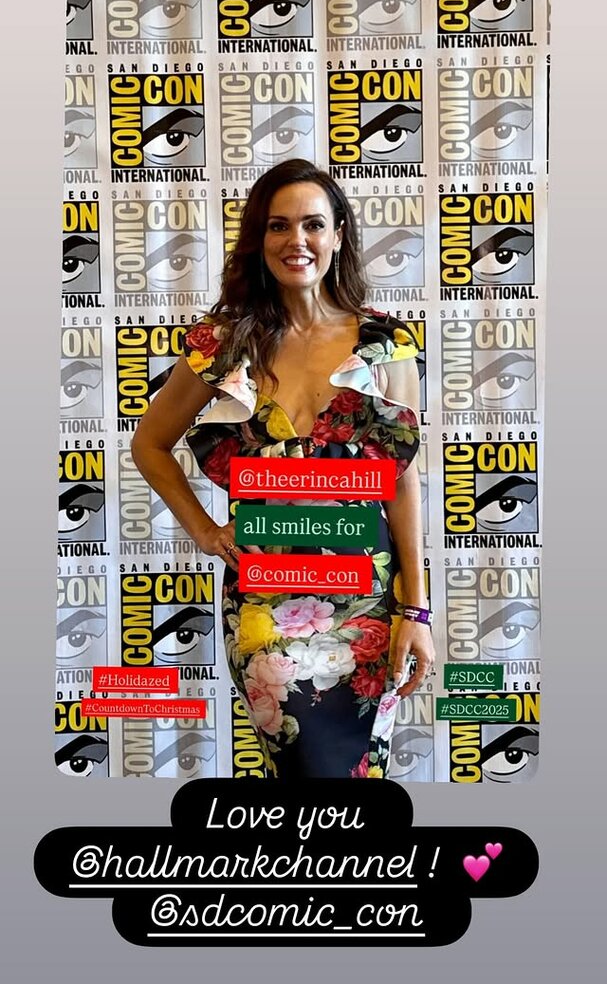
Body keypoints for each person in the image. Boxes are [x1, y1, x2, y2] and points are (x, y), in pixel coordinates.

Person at [131, 158, 435, 779]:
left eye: (313, 224)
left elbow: (402, 481)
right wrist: (204, 531)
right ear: (260, 238)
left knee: (361, 772)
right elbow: (150, 444)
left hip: (369, 601)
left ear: (338, 236)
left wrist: (415, 611)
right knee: (301, 766)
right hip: (265, 599)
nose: (297, 240)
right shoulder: (223, 343)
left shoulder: (386, 344)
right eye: (279, 225)